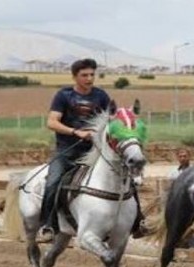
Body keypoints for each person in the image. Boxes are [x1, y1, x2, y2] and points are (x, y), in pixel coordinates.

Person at [38, 58, 147, 241]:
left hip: (95, 151)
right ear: (75, 77)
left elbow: (110, 121)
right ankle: (47, 225)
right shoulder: (63, 96)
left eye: (92, 75)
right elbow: (51, 122)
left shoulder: (101, 96)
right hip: (68, 151)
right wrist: (75, 132)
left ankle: (138, 223)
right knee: (53, 181)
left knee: (128, 180)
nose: (89, 78)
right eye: (84, 75)